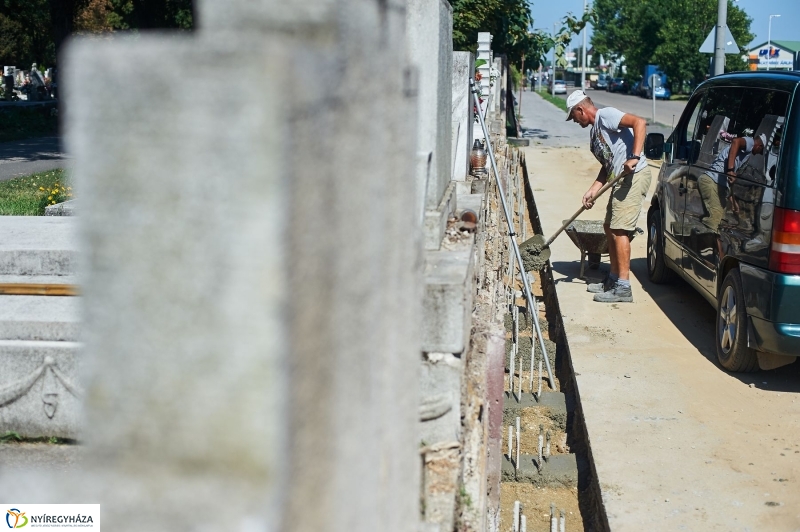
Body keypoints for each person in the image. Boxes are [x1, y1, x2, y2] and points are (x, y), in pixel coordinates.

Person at [565, 90, 651, 303]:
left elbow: (640, 122)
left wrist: (634, 157)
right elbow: (607, 166)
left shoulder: (606, 116)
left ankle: (623, 287)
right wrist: (593, 189)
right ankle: (613, 279)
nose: (574, 121)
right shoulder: (595, 132)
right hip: (620, 179)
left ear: (581, 109)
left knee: (619, 229)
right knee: (609, 227)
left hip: (635, 175)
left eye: (573, 116)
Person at [698, 133, 765, 232]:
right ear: (759, 146)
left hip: (717, 184)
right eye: (760, 151)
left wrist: (733, 202)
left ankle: (713, 245)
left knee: (721, 220)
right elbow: (735, 141)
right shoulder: (750, 143)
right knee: (715, 219)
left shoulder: (743, 155)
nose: (758, 153)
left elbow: (729, 181)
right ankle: (705, 245)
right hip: (711, 180)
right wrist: (730, 170)